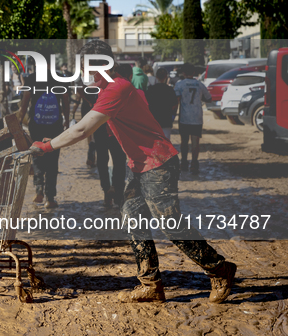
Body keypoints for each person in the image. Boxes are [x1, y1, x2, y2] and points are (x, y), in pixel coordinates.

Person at [29, 40, 236, 304]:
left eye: (87, 67)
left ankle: (220, 269)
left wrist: (46, 146)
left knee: (171, 226)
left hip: (157, 163)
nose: (83, 73)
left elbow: (81, 130)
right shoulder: (112, 88)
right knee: (133, 219)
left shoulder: (118, 88)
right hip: (136, 165)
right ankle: (150, 284)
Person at [18, 71, 69, 209]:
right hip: (55, 125)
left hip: (36, 125)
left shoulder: (32, 78)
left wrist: (19, 121)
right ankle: (50, 198)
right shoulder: (60, 78)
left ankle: (39, 188)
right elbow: (65, 99)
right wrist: (67, 120)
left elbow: (25, 102)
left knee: (36, 155)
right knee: (53, 159)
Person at [174, 63, 212, 174]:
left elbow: (176, 99)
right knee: (195, 141)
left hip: (184, 117)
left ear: (183, 73)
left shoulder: (180, 85)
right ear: (194, 72)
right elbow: (209, 98)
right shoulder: (200, 85)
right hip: (197, 117)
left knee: (184, 141)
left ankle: (184, 162)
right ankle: (194, 164)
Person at [145, 68, 179, 140]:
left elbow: (146, 105)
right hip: (166, 121)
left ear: (156, 77)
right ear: (166, 77)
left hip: (153, 122)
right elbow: (175, 105)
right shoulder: (170, 90)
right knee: (166, 144)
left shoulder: (150, 90)